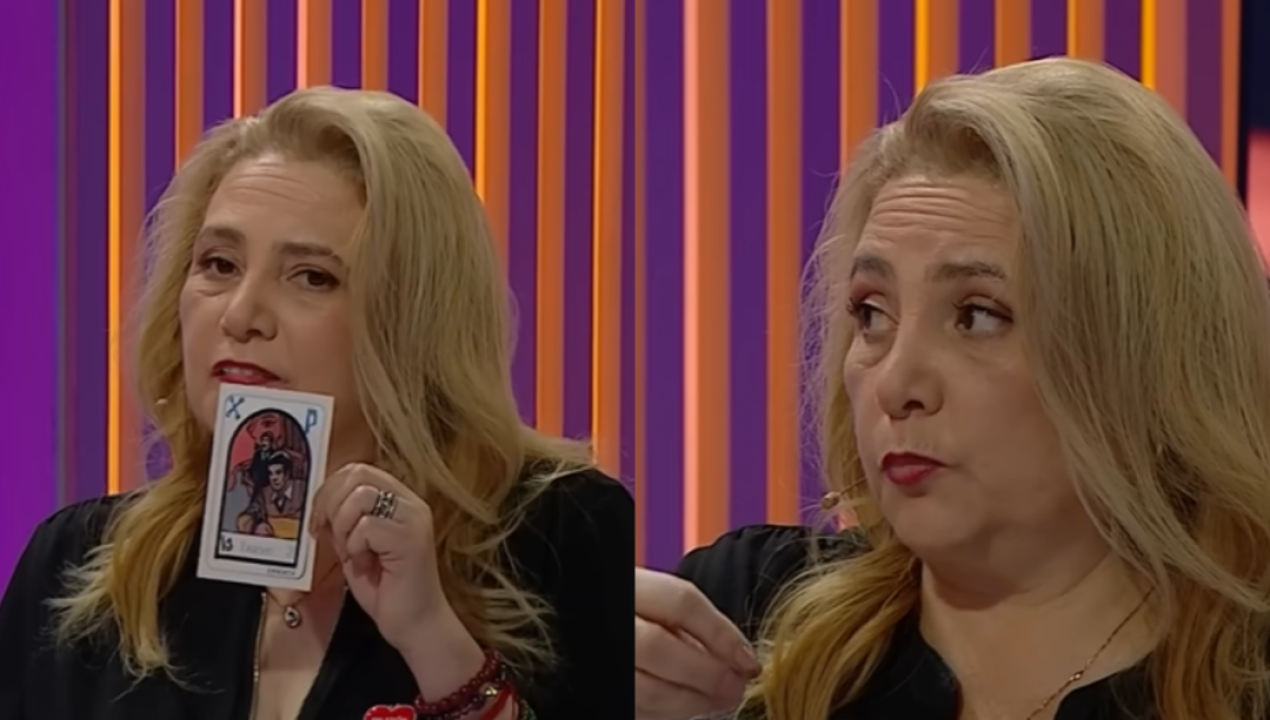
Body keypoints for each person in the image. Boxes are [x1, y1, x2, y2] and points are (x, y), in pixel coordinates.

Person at [635, 57, 1270, 720]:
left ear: (1146, 358)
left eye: (977, 316)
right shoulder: (733, 624)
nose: (895, 383)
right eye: (871, 313)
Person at [0, 86, 632, 719]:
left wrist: (433, 640)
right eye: (219, 264)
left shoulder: (558, 534)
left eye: (312, 277)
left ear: (411, 321)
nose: (241, 315)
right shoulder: (78, 561)